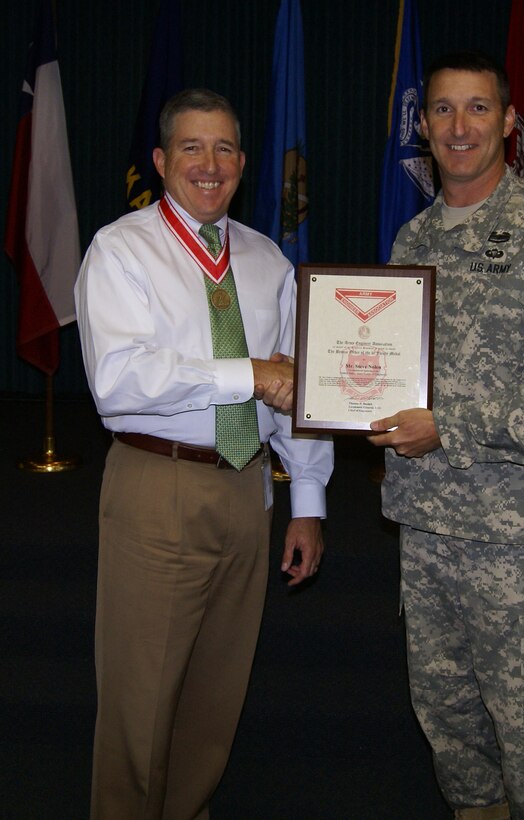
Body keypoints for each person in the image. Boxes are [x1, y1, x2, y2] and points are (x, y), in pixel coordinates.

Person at [369, 52, 524, 820]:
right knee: (455, 741)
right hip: (429, 528)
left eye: (477, 108)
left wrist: (452, 427)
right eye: (442, 109)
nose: (458, 126)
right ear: (421, 124)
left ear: (508, 123)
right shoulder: (411, 242)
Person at [74, 88, 333, 819]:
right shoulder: (122, 250)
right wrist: (247, 373)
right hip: (159, 485)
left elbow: (296, 390)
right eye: (191, 147)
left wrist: (307, 503)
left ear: (244, 164)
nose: (209, 164)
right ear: (160, 161)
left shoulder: (266, 259)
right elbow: (120, 382)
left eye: (224, 149)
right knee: (139, 708)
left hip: (247, 492)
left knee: (212, 707)